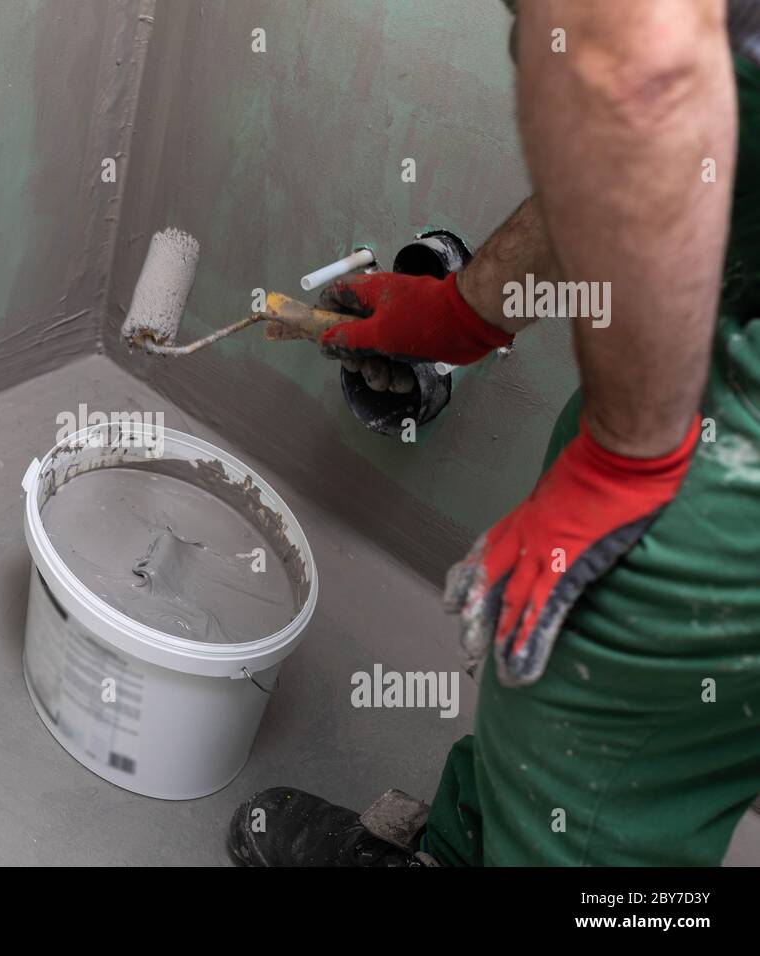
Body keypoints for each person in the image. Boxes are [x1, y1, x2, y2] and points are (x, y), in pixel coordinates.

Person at [229, 0, 760, 866]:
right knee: (579, 728)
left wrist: (627, 463)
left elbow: (638, 108)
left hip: (722, 487)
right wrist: (463, 313)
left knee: (588, 810)